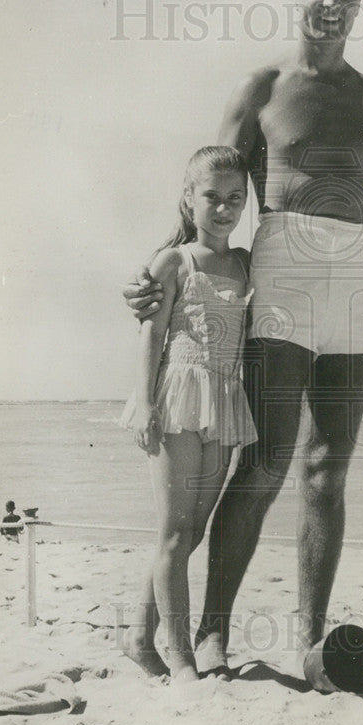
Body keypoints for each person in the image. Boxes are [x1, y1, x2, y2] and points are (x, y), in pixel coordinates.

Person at [124, 0, 363, 684]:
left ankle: (311, 643)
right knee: (266, 461)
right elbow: (210, 192)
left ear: (361, 1)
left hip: (358, 279)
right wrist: (161, 275)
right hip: (284, 273)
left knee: (328, 472)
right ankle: (212, 632)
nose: (332, 4)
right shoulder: (263, 86)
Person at [119, 147, 257, 683]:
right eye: (212, 197)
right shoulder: (173, 261)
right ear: (187, 199)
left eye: (235, 199)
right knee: (174, 533)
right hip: (176, 395)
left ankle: (137, 632)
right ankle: (180, 658)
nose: (223, 209)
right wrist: (145, 403)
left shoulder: (245, 262)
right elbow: (150, 332)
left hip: (223, 398)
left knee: (193, 531)